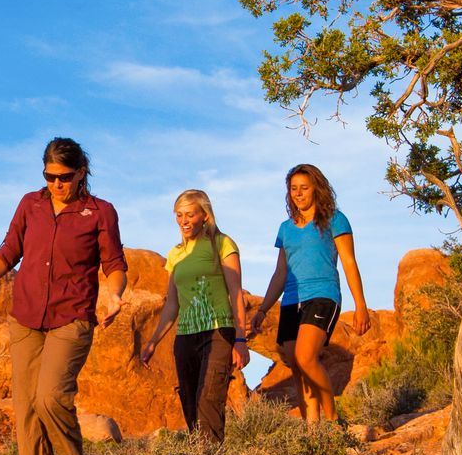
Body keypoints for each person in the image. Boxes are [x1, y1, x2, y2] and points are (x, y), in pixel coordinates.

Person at [0, 137, 126, 455]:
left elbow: (114, 263)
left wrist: (115, 294)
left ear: (81, 173)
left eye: (63, 177)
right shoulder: (30, 204)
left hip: (72, 315)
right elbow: (7, 253)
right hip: (27, 315)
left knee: (50, 397)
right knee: (27, 405)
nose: (56, 184)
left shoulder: (99, 212)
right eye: (49, 177)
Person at [246, 164, 370, 422]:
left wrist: (361, 305)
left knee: (306, 357)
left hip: (323, 294)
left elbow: (348, 262)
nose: (298, 194)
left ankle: (334, 420)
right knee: (297, 366)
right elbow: (280, 273)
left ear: (317, 189)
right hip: (292, 300)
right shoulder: (285, 228)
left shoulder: (335, 219)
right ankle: (312, 431)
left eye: (304, 188)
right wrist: (262, 309)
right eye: (293, 189)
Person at [140, 190, 249, 440]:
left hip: (218, 331)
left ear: (204, 215)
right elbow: (172, 304)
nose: (184, 220)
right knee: (190, 402)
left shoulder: (222, 243)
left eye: (190, 214)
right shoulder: (176, 254)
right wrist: (153, 342)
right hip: (186, 336)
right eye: (179, 215)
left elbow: (235, 292)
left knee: (208, 400)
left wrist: (241, 340)